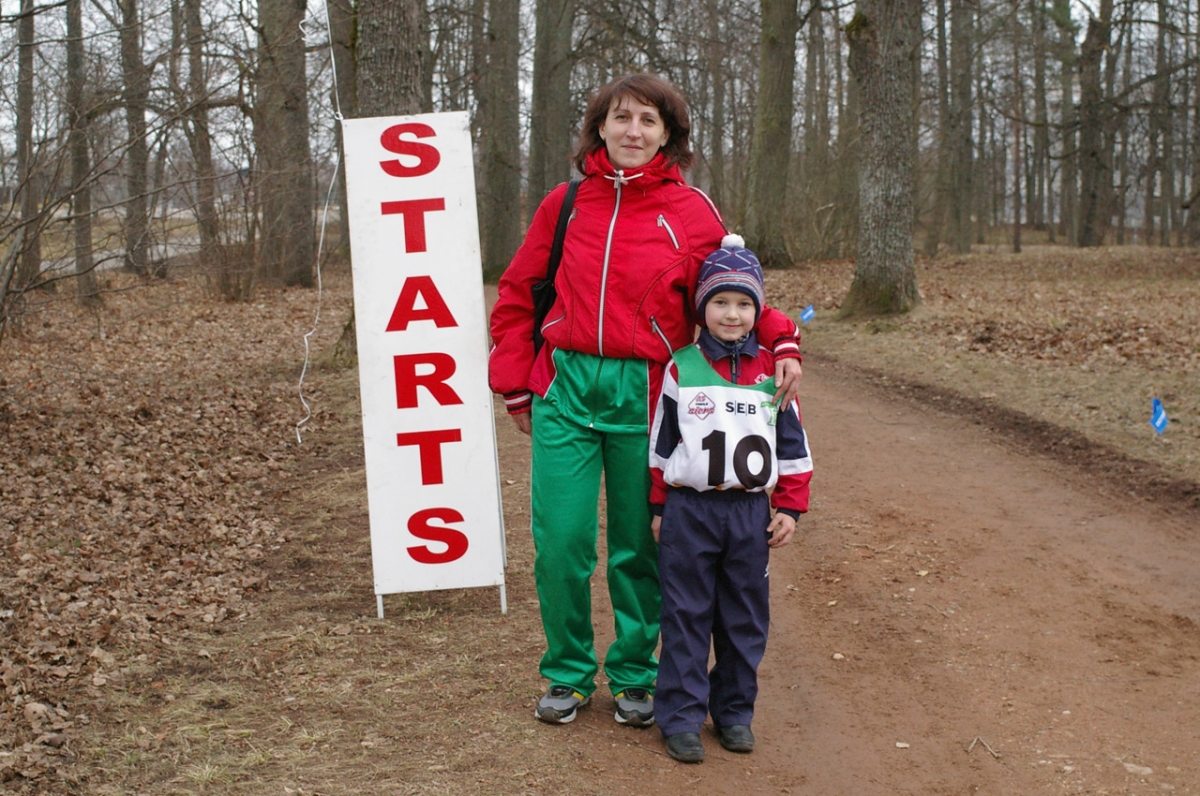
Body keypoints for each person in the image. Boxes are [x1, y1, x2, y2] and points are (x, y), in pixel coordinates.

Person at [488, 73, 802, 727]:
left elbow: (734, 290)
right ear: (600, 127)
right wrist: (514, 381)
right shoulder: (565, 204)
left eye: (648, 121)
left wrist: (782, 340)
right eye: (621, 117)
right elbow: (519, 291)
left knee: (641, 546)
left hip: (651, 397)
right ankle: (568, 673)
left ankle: (635, 673)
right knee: (561, 544)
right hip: (565, 389)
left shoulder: (691, 212)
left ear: (667, 135)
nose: (633, 131)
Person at [648, 236, 813, 763]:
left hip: (748, 514)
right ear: (702, 308)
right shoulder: (682, 366)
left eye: (744, 303)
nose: (732, 314)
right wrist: (659, 505)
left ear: (758, 310)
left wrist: (790, 506)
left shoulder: (774, 373)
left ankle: (735, 712)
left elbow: (792, 444)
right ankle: (680, 717)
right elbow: (662, 444)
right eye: (720, 301)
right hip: (690, 510)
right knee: (685, 615)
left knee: (744, 618)